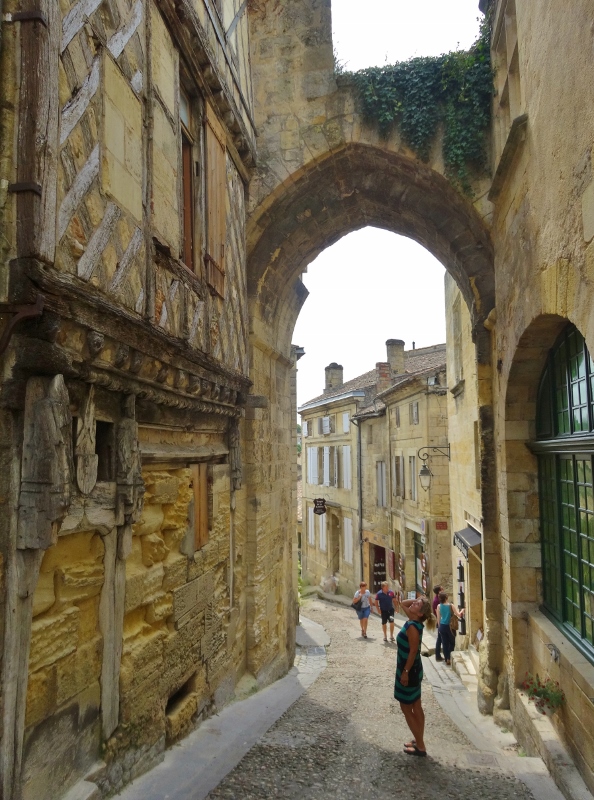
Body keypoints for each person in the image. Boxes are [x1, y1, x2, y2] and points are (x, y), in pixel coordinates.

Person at [394, 595, 435, 757]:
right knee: (416, 705)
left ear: (420, 614)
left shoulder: (412, 627)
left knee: (406, 707)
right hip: (414, 669)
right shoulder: (414, 622)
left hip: (408, 670)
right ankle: (419, 740)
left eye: (417, 604)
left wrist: (405, 672)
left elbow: (413, 651)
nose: (414, 603)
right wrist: (420, 602)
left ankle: (421, 746)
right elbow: (403, 603)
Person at [436, 591, 464, 665]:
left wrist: (439, 628)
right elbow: (459, 615)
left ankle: (446, 659)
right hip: (450, 627)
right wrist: (463, 610)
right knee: (452, 642)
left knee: (444, 643)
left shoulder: (438, 606)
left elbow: (438, 618)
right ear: (446, 598)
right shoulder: (451, 606)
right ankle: (448, 658)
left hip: (442, 626)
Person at [432, 585, 443, 661]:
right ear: (439, 591)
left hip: (441, 621)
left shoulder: (439, 598)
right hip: (440, 621)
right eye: (442, 588)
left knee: (440, 638)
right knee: (439, 639)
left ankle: (439, 655)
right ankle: (438, 655)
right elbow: (437, 613)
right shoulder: (436, 600)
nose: (443, 589)